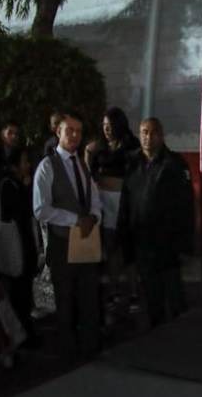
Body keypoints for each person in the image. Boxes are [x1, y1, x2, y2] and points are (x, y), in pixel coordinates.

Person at [32, 111, 102, 360]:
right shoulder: (47, 166)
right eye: (69, 130)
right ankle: (67, 349)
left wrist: (93, 216)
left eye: (78, 131)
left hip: (85, 241)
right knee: (65, 299)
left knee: (88, 295)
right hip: (62, 242)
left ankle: (90, 346)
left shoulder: (82, 164)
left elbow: (94, 198)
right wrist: (75, 220)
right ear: (58, 132)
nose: (74, 135)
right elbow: (40, 209)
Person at [117, 117, 194, 327]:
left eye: (153, 133)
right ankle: (156, 333)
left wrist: (185, 244)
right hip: (142, 243)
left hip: (167, 244)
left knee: (175, 298)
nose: (148, 137)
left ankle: (180, 336)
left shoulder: (174, 164)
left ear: (161, 135)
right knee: (152, 298)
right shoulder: (133, 163)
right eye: (144, 132)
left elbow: (185, 206)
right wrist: (123, 238)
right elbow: (126, 202)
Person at [85, 107, 139, 318]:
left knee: (128, 249)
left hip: (123, 202)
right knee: (110, 248)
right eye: (104, 126)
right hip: (104, 202)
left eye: (110, 126)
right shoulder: (99, 147)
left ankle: (133, 292)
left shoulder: (131, 145)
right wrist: (88, 154)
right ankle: (114, 289)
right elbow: (89, 173)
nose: (106, 130)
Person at [0, 147, 41, 345]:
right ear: (14, 166)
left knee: (23, 291)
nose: (28, 165)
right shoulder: (9, 185)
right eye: (24, 162)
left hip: (23, 244)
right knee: (19, 293)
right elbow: (19, 212)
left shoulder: (17, 184)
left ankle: (23, 330)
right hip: (17, 245)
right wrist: (26, 188)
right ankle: (21, 333)